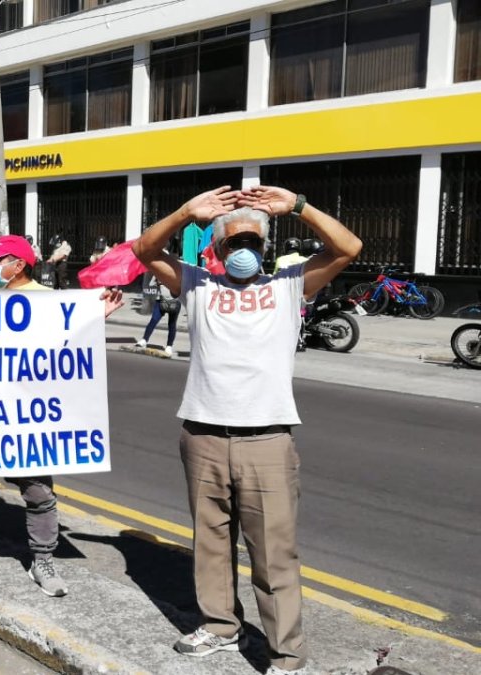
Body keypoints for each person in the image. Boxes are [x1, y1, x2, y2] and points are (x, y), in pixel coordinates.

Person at [132, 185, 361, 675]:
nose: (244, 251)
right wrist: (185, 213)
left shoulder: (289, 285)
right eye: (234, 243)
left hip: (266, 439)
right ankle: (220, 626)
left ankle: (286, 655)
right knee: (211, 542)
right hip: (203, 434)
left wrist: (299, 206)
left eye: (253, 243)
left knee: (273, 554)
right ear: (217, 250)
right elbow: (144, 250)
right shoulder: (196, 285)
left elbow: (348, 249)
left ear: (266, 248)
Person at [0, 235, 124, 598]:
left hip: (28, 418)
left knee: (37, 492)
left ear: (17, 265)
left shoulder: (47, 301)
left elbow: (67, 346)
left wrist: (95, 316)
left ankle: (43, 559)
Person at [137, 270, 181, 357]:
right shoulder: (159, 273)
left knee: (172, 324)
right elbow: (151, 284)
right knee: (153, 320)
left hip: (174, 302)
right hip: (160, 301)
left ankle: (169, 346)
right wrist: (158, 282)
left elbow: (182, 287)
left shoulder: (178, 274)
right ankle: (144, 340)